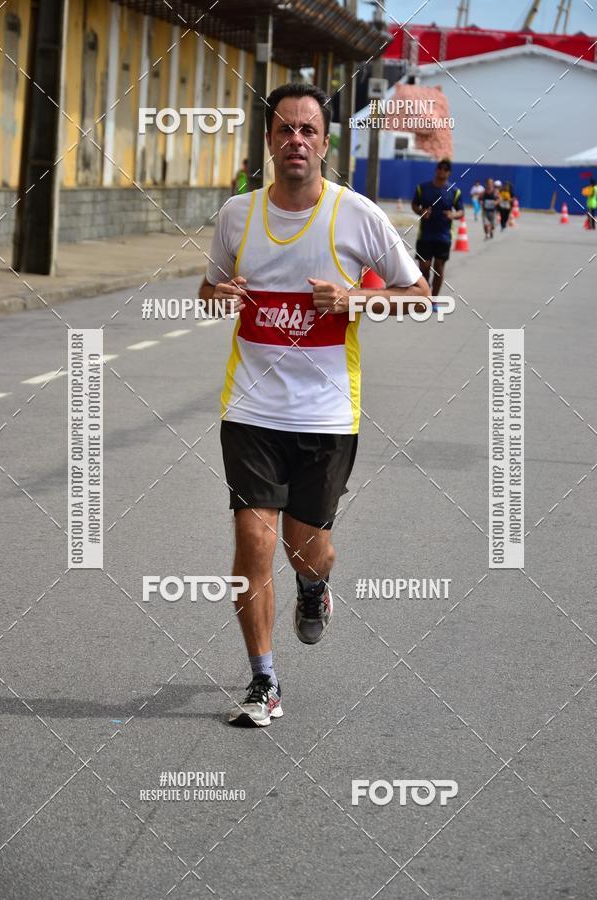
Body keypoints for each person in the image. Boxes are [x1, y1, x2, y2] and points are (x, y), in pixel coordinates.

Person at [199, 82, 430, 727]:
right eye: (284, 130)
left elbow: (420, 295)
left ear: (325, 144)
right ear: (269, 141)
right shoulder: (235, 216)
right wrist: (220, 293)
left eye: (307, 130)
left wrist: (354, 301)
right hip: (250, 408)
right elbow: (207, 288)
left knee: (307, 548)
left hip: (327, 414)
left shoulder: (358, 216)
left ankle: (315, 585)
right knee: (252, 538)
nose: (295, 140)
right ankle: (262, 681)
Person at [411, 158, 464, 297]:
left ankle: (434, 299)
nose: (442, 170)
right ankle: (425, 294)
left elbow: (461, 211)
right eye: (440, 167)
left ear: (449, 173)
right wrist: (421, 212)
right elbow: (414, 205)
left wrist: (453, 214)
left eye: (446, 169)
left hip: (443, 236)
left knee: (439, 268)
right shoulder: (422, 188)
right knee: (424, 267)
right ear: (436, 170)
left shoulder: (455, 191)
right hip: (425, 235)